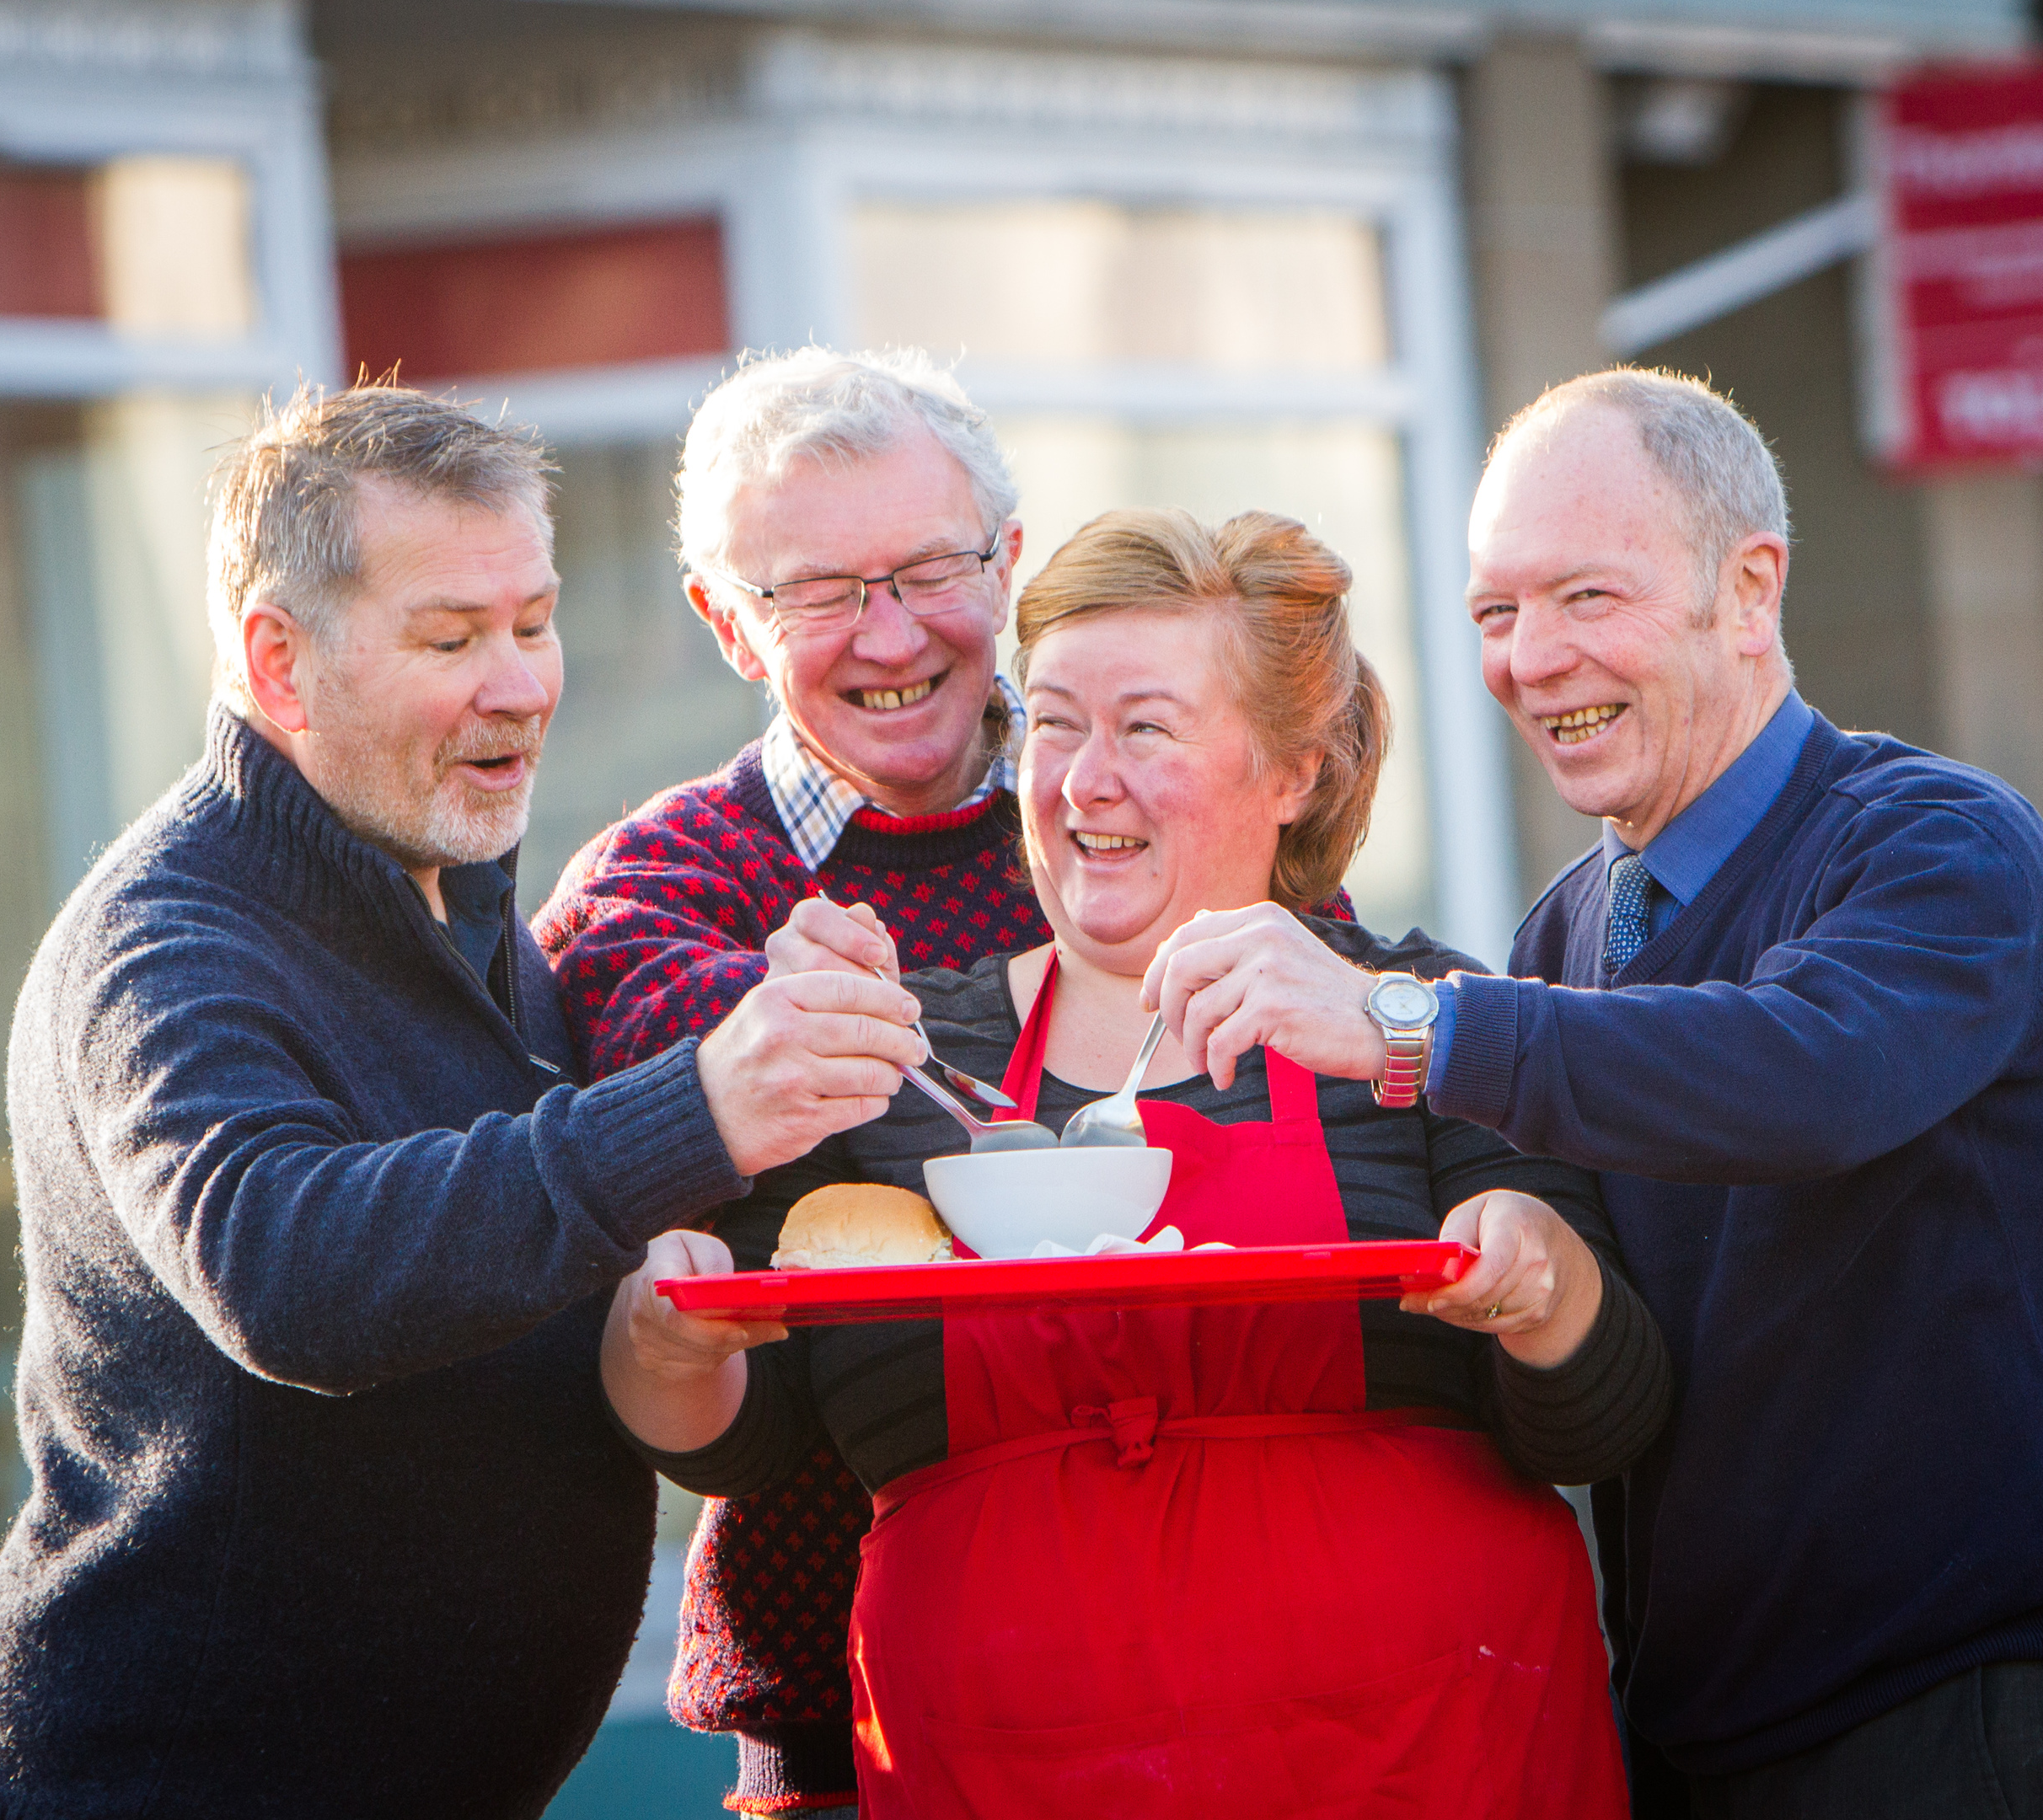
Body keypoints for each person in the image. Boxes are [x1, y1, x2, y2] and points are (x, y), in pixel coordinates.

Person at [1145, 369, 2043, 1817]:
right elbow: (1597, 1353)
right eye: (1496, 615)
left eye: (1586, 598)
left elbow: (1807, 1072)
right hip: (1694, 1738)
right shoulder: (1563, 939)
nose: (1532, 658)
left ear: (1750, 591)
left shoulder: (1944, 846)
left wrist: (1399, 1021)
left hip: (1962, 1728)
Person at [0, 385, 926, 1818]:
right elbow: (290, 1273)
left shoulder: (467, 909)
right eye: (451, 639)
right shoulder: (167, 947)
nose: (518, 682)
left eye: (533, 622)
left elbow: (541, 1222)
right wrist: (696, 1107)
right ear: (281, 667)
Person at [605, 508, 1671, 1817]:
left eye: (1147, 729)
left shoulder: (1422, 1026)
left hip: (1428, 1752)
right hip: (999, 1770)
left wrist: (1547, 1288)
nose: (1082, 780)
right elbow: (743, 1444)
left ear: (1295, 770)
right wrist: (659, 1342)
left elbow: (1606, 1415)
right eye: (1052, 724)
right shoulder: (889, 1061)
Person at [532, 346, 1054, 1816]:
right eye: (817, 593)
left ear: (1008, 562)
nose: (888, 635)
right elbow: (710, 1076)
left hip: (1203, 1663)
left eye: (929, 570)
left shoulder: (1140, 812)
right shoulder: (659, 882)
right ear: (726, 624)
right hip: (846, 1732)